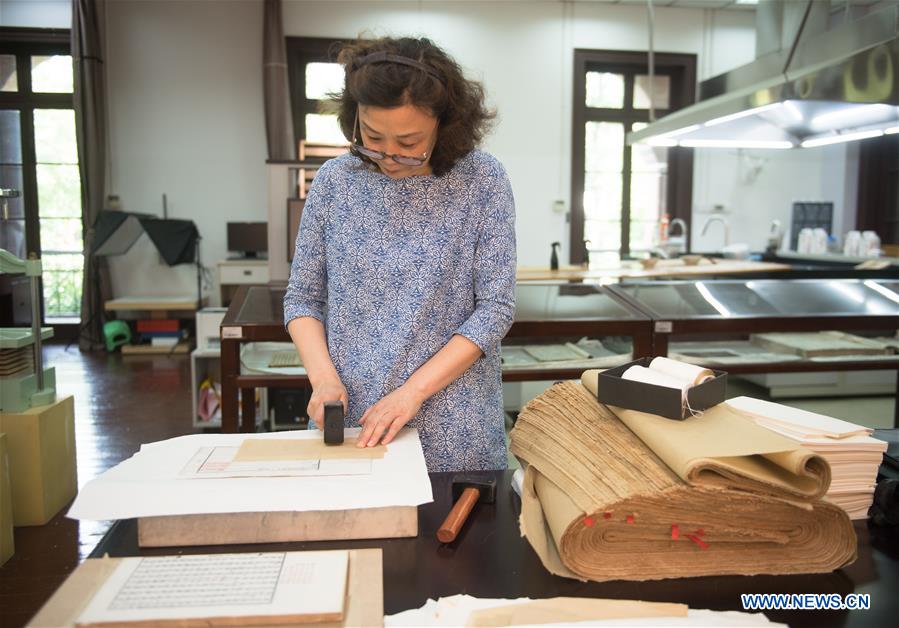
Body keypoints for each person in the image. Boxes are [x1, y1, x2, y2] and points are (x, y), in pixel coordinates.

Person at [283, 36, 516, 473]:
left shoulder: (481, 180)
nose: (389, 156)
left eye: (409, 143)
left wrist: (412, 393)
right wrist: (323, 378)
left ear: (444, 125)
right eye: (372, 137)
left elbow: (494, 310)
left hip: (454, 425)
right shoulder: (336, 182)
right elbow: (303, 300)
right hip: (356, 422)